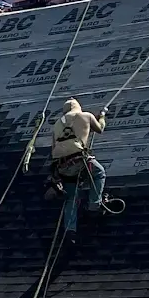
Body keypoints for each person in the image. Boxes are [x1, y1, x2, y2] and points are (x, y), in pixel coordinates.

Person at [47, 99, 120, 231]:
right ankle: (94, 205)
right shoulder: (86, 116)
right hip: (79, 161)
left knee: (71, 198)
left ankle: (70, 230)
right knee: (99, 173)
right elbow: (100, 129)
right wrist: (102, 117)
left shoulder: (57, 124)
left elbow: (53, 148)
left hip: (62, 167)